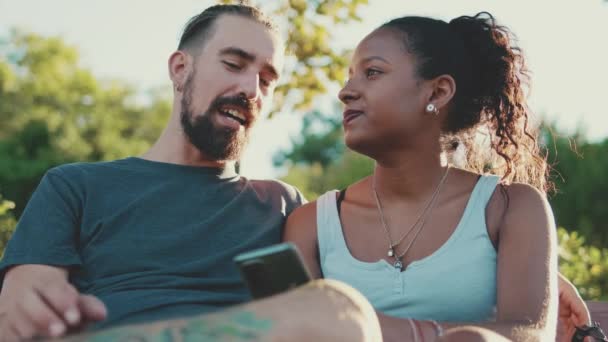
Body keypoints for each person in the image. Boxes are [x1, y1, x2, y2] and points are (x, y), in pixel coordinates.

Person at [0, 4, 590, 342]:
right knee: (334, 314)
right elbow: (20, 297)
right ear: (180, 68)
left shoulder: (284, 205)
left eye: (267, 78)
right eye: (234, 64)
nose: (249, 88)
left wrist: (533, 278)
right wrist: (27, 296)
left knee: (329, 316)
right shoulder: (76, 185)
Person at [284, 11, 588, 341]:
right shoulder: (311, 224)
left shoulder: (509, 207)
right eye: (349, 77)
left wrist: (370, 327)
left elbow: (528, 334)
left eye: (372, 72)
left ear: (437, 92)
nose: (345, 92)